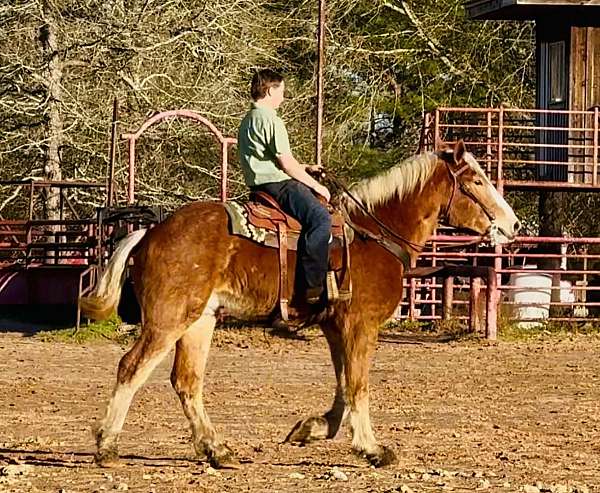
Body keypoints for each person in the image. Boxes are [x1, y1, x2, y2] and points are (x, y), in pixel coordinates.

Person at [238, 69, 332, 315]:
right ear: (270, 90)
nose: (283, 97)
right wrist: (316, 185)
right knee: (321, 219)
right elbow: (285, 164)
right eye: (281, 91)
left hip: (259, 186)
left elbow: (268, 160)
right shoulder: (271, 119)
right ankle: (313, 289)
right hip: (280, 186)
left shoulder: (249, 119)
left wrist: (307, 168)